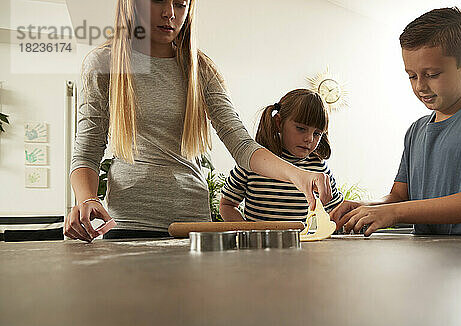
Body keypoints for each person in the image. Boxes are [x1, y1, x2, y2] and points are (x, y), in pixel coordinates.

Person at [65, 0, 332, 242]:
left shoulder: (201, 69)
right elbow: (87, 152)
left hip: (192, 224)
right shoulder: (104, 63)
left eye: (180, 4)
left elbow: (241, 144)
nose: (169, 13)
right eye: (158, 1)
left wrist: (298, 175)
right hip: (129, 223)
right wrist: (86, 198)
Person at [331, 7, 461, 237]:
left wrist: (395, 212)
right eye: (412, 76)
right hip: (429, 258)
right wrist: (368, 207)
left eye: (432, 74)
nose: (420, 86)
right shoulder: (416, 131)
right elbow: (399, 197)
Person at [220, 89, 345, 222]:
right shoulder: (252, 161)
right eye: (301, 128)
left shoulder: (319, 169)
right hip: (257, 243)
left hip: (301, 243)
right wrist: (249, 233)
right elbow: (227, 205)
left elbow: (336, 211)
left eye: (317, 133)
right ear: (279, 123)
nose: (309, 138)